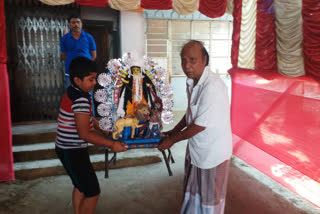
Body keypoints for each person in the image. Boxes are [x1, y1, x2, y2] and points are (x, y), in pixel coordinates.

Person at [158, 40, 233, 214]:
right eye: (183, 60)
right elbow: (191, 114)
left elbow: (199, 125)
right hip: (197, 149)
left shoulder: (212, 86)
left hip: (213, 152)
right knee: (193, 193)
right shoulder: (192, 81)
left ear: (204, 60)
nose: (186, 66)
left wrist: (172, 140)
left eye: (192, 60)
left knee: (209, 200)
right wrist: (173, 131)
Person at [55, 57, 127, 214]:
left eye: (95, 78)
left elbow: (87, 117)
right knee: (93, 192)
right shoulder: (80, 98)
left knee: (80, 185)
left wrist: (102, 128)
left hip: (68, 148)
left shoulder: (74, 91)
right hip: (72, 151)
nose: (95, 83)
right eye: (91, 79)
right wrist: (111, 144)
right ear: (77, 80)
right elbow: (84, 134)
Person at [60, 14, 97, 89]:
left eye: (78, 22)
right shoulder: (64, 38)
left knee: (88, 95)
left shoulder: (89, 37)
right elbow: (63, 56)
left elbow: (93, 56)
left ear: (81, 24)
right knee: (71, 96)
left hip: (87, 73)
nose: (76, 24)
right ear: (69, 24)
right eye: (73, 22)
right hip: (71, 73)